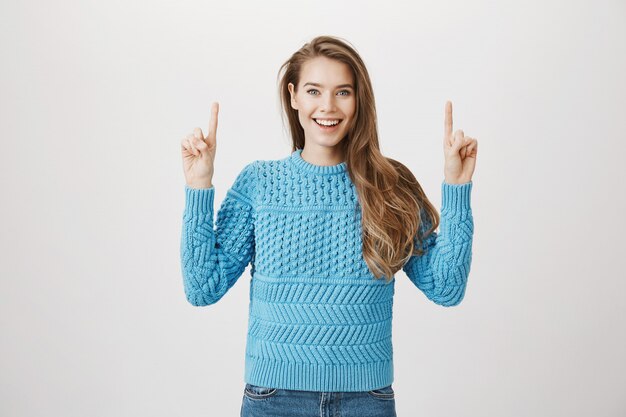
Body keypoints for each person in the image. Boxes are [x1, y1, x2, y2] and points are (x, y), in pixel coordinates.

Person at [179, 35, 477, 417]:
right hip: (274, 397)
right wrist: (198, 185)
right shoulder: (259, 183)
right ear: (293, 96)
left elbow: (447, 288)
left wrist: (456, 186)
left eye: (343, 92)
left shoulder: (390, 185)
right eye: (314, 90)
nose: (328, 106)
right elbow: (203, 287)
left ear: (359, 101)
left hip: (366, 399)